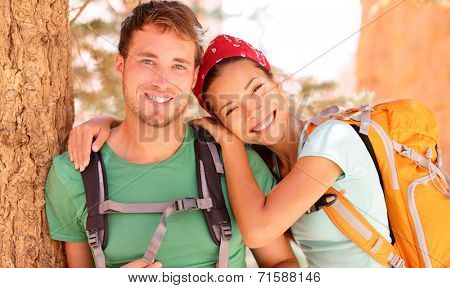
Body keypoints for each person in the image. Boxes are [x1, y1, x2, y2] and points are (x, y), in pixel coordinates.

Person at [71, 33, 393, 268]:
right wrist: (110, 124)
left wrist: (230, 142)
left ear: (276, 83)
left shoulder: (331, 140)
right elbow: (157, 128)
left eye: (257, 89)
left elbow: (257, 230)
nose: (254, 111)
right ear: (221, 121)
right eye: (232, 110)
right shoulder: (273, 169)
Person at [45, 1, 298, 268]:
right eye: (147, 61)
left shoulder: (237, 165)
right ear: (120, 64)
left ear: (193, 77)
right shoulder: (74, 174)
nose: (162, 81)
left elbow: (282, 265)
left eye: (178, 66)